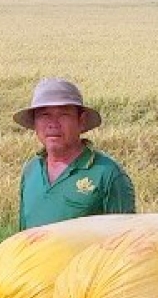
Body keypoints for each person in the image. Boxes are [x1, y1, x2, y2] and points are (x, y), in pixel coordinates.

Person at [13, 77, 136, 230]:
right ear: (35, 123)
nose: (53, 124)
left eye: (63, 115)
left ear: (81, 121)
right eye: (44, 115)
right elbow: (22, 237)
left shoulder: (107, 174)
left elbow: (124, 242)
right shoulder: (31, 170)